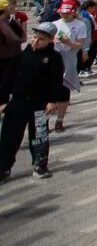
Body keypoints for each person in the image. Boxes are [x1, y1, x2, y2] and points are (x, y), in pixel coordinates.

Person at [0, 22, 64, 181]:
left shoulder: (54, 58)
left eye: (41, 39)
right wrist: (2, 101)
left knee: (39, 136)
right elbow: (7, 80)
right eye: (35, 37)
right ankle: (4, 167)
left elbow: (57, 81)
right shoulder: (21, 56)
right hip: (18, 101)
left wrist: (53, 101)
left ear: (50, 40)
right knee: (9, 136)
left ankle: (40, 165)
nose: (36, 41)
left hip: (40, 103)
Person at [51, 0, 87, 132]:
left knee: (63, 90)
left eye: (67, 13)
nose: (64, 15)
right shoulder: (54, 24)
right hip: (54, 58)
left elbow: (79, 45)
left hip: (69, 59)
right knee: (49, 90)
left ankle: (59, 120)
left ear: (73, 13)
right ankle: (45, 119)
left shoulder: (80, 25)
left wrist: (68, 42)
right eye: (63, 13)